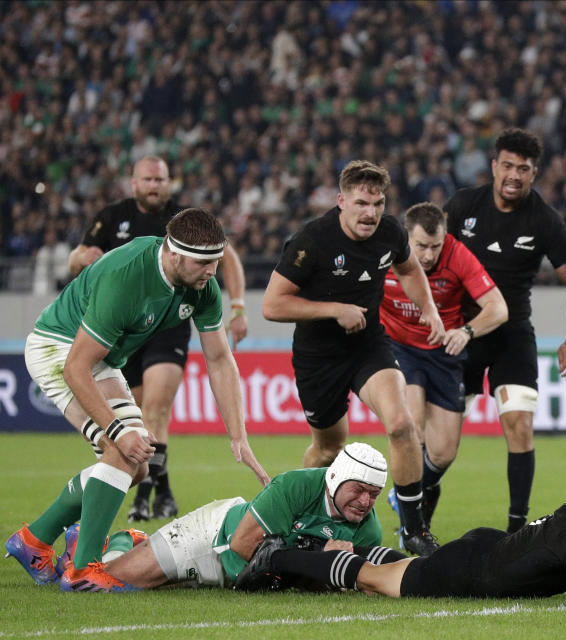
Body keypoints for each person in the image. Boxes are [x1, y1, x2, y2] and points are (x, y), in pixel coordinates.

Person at [5, 208, 270, 591]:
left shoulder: (201, 285)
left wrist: (238, 436)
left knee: (139, 467)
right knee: (122, 451)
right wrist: (115, 431)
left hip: (102, 358)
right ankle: (82, 572)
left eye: (216, 262)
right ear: (174, 254)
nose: (212, 273)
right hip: (59, 350)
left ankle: (33, 542)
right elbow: (76, 369)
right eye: (203, 263)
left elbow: (219, 359)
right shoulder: (126, 278)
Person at [262, 161, 445, 556]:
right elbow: (273, 305)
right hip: (317, 356)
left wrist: (428, 307)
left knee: (401, 423)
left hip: (367, 344)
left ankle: (414, 530)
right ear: (341, 201)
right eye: (362, 203)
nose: (371, 213)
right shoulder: (311, 240)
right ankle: (297, 516)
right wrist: (334, 309)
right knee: (329, 449)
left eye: (377, 203)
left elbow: (410, 269)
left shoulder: (392, 231)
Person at [68, 156, 250, 522]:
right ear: (133, 183)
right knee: (137, 413)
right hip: (126, 330)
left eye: (161, 179)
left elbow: (227, 257)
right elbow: (78, 261)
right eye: (148, 179)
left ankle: (143, 495)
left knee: (156, 406)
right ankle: (162, 491)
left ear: (170, 182)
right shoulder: (111, 216)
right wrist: (83, 260)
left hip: (170, 324)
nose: (155, 185)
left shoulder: (186, 221)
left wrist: (238, 305)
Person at [236, 465, 566, 602]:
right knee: (373, 580)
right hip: (467, 572)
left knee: (397, 566)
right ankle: (277, 558)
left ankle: (319, 551)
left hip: (489, 547)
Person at [445, 128, 566, 533]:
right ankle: (415, 513)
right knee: (442, 445)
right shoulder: (462, 206)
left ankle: (516, 530)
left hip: (512, 336)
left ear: (533, 173)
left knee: (519, 425)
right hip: (462, 333)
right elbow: (428, 258)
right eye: (506, 165)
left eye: (522, 169)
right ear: (493, 167)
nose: (513, 174)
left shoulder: (543, 220)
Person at [60, 443, 406, 592]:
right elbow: (243, 546)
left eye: (374, 494)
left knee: (160, 586)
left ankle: (140, 546)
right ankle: (117, 542)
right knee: (102, 585)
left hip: (240, 577)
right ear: (334, 478)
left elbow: (318, 584)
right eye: (358, 490)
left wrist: (328, 571)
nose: (365, 501)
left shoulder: (368, 529)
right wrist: (319, 555)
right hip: (213, 536)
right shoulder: (295, 486)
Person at [380, 203, 508, 532]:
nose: (428, 255)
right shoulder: (385, 250)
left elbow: (498, 308)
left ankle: (411, 491)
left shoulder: (458, 254)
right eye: (421, 246)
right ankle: (409, 502)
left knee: (444, 452)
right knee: (411, 424)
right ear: (407, 236)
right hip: (398, 347)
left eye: (435, 246)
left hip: (443, 354)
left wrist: (466, 332)